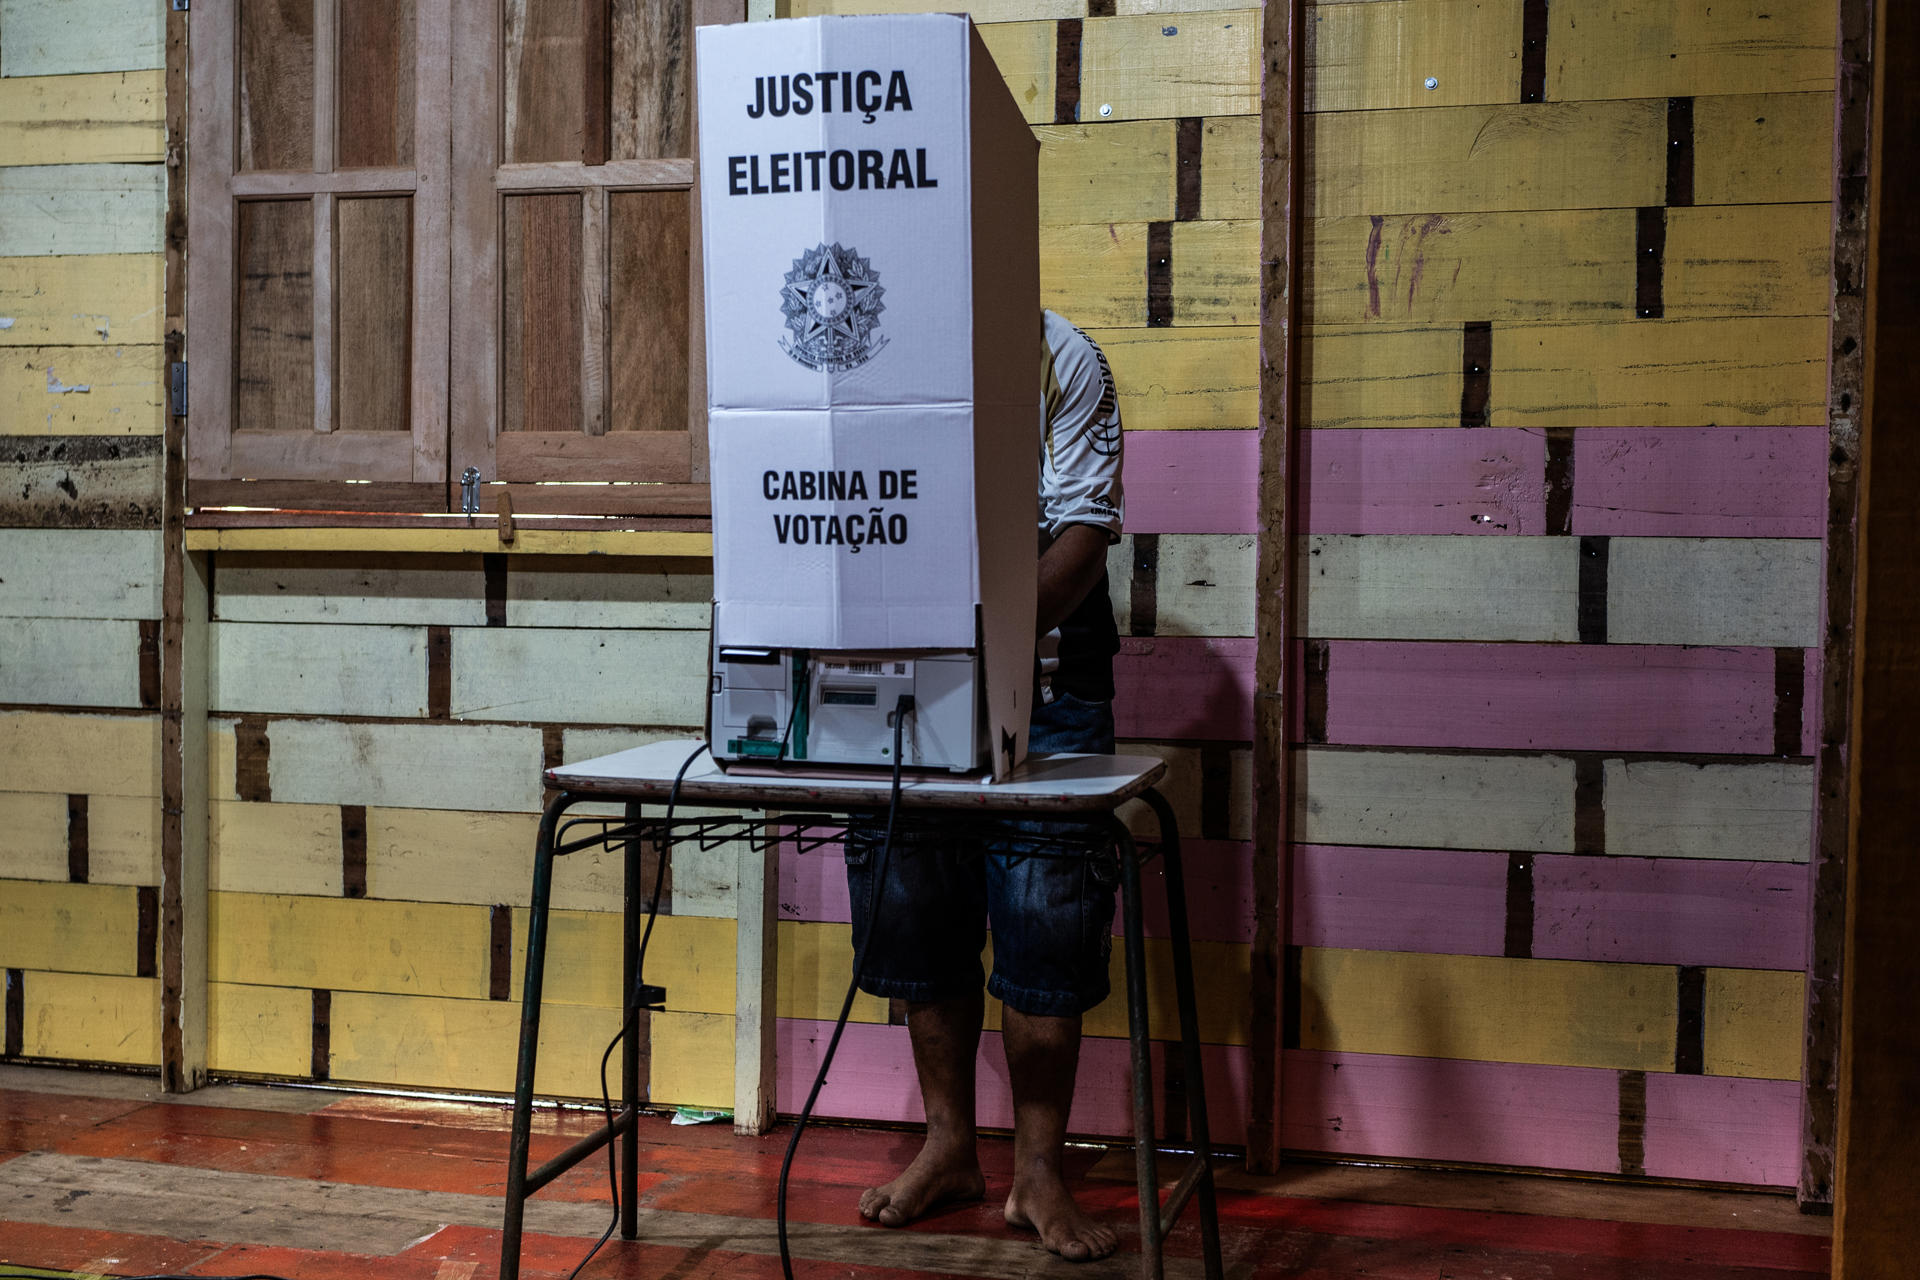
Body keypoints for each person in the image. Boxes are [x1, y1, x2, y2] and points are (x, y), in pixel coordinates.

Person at [845, 310, 1125, 1261]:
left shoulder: (1064, 357)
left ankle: (1038, 1171)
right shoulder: (883, 350)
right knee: (919, 902)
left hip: (1050, 681)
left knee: (1046, 912)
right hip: (913, 677)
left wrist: (987, 649)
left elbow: (1085, 533)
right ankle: (952, 1147)